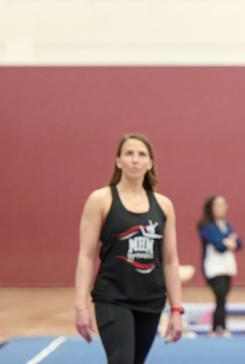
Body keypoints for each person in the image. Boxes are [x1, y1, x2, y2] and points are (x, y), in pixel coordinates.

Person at [74, 133, 185, 364]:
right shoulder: (100, 200)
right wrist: (80, 305)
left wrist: (176, 310)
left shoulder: (164, 205)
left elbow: (171, 260)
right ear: (118, 161)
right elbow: (86, 255)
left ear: (150, 163)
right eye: (129, 153)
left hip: (151, 299)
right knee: (121, 360)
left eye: (141, 154)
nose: (135, 159)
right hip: (113, 297)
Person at [197, 195, 240, 338]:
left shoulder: (226, 224)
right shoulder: (206, 226)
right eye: (219, 205)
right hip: (214, 268)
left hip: (227, 266)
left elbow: (239, 242)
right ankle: (220, 327)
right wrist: (228, 241)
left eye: (224, 204)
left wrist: (230, 242)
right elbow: (219, 245)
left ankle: (217, 328)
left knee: (223, 298)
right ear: (211, 208)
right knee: (220, 296)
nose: (223, 208)